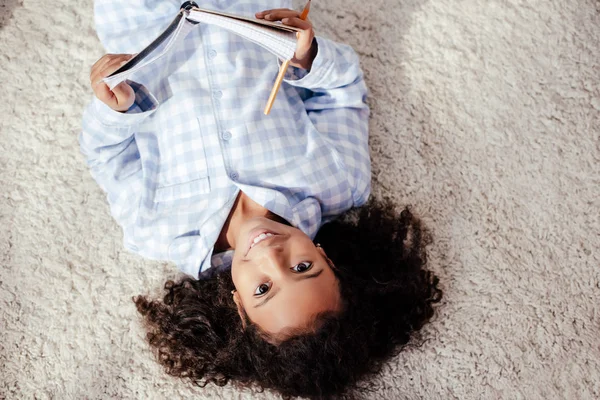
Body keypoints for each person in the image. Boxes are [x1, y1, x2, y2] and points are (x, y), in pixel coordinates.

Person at [80, 1, 442, 397]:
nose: (271, 255)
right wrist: (308, 57)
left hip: (143, 23)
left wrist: (113, 111)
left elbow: (107, 155)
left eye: (262, 290)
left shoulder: (155, 231)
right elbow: (341, 90)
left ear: (238, 308)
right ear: (328, 258)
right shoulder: (340, 183)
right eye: (303, 266)